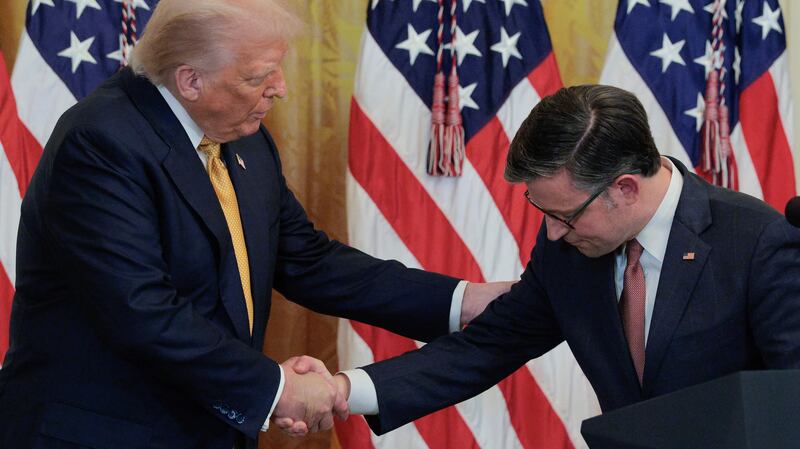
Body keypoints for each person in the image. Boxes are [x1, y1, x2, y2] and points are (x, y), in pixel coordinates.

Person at [0, 0, 511, 447]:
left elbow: (307, 259)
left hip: (208, 426)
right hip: (103, 433)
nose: (280, 90)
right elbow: (142, 311)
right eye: (257, 76)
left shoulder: (238, 134)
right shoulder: (100, 143)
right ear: (190, 79)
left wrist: (461, 301)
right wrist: (279, 389)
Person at [322, 84, 800, 435]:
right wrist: (345, 389)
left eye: (565, 216)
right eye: (542, 211)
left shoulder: (757, 242)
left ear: (626, 187)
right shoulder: (568, 248)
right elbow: (486, 347)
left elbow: (791, 401)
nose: (551, 231)